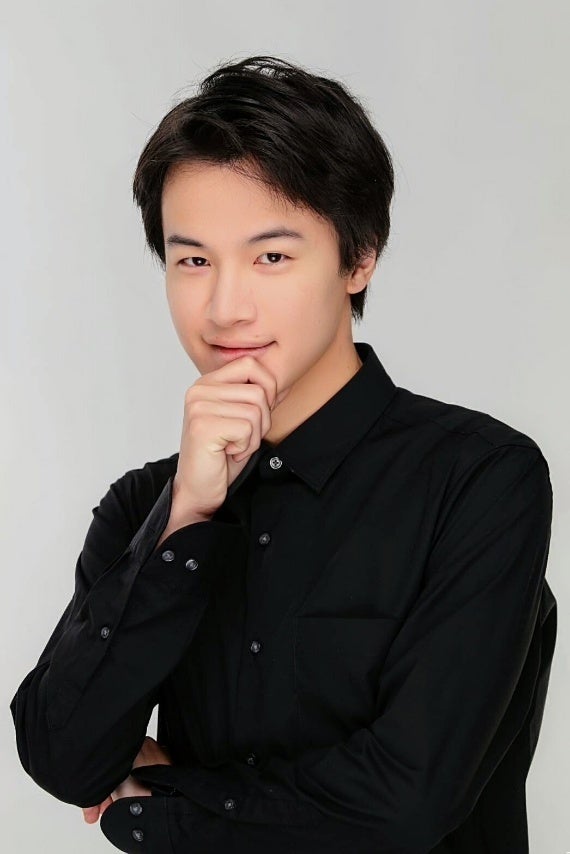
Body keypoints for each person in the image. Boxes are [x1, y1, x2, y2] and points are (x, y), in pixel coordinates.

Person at [10, 54, 556, 854]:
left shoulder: (479, 480)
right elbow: (62, 756)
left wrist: (158, 805)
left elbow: (405, 804)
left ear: (358, 257)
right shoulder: (144, 508)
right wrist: (184, 519)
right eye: (193, 259)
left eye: (271, 256)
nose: (225, 307)